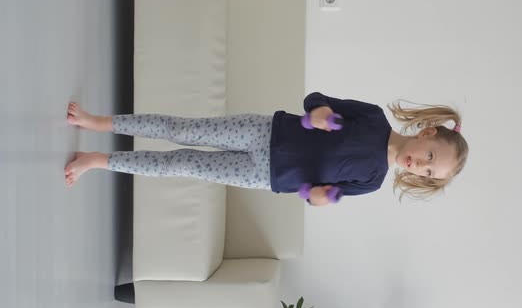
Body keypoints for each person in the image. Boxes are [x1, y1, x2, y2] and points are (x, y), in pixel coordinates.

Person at [64, 92, 468, 205]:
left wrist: (318, 196)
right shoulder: (373, 119)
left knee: (179, 165)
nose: (420, 166)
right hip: (263, 133)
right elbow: (313, 100)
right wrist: (319, 116)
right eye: (430, 158)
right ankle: (100, 122)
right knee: (179, 130)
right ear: (428, 133)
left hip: (267, 177)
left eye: (428, 174)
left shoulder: (372, 181)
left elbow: (311, 193)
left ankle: (98, 161)